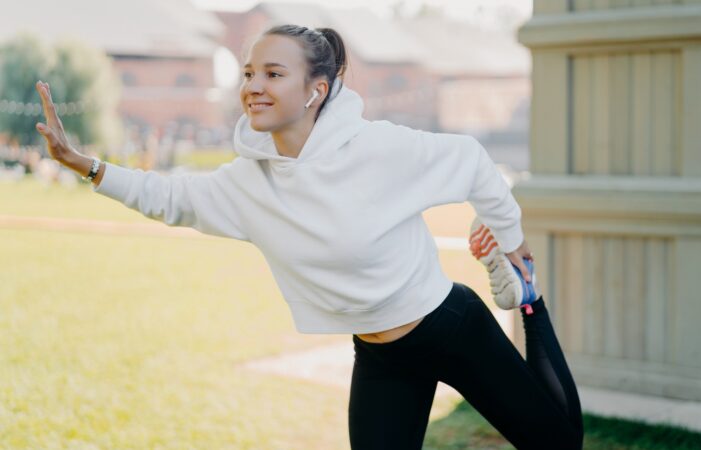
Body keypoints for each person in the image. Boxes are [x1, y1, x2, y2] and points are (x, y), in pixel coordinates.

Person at [34, 24, 584, 450]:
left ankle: (514, 285)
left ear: (316, 89)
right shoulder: (248, 183)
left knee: (557, 444)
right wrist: (83, 163)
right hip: (379, 355)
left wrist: (511, 243)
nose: (253, 86)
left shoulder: (376, 149)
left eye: (272, 74)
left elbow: (470, 160)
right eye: (249, 73)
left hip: (447, 325)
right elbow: (170, 198)